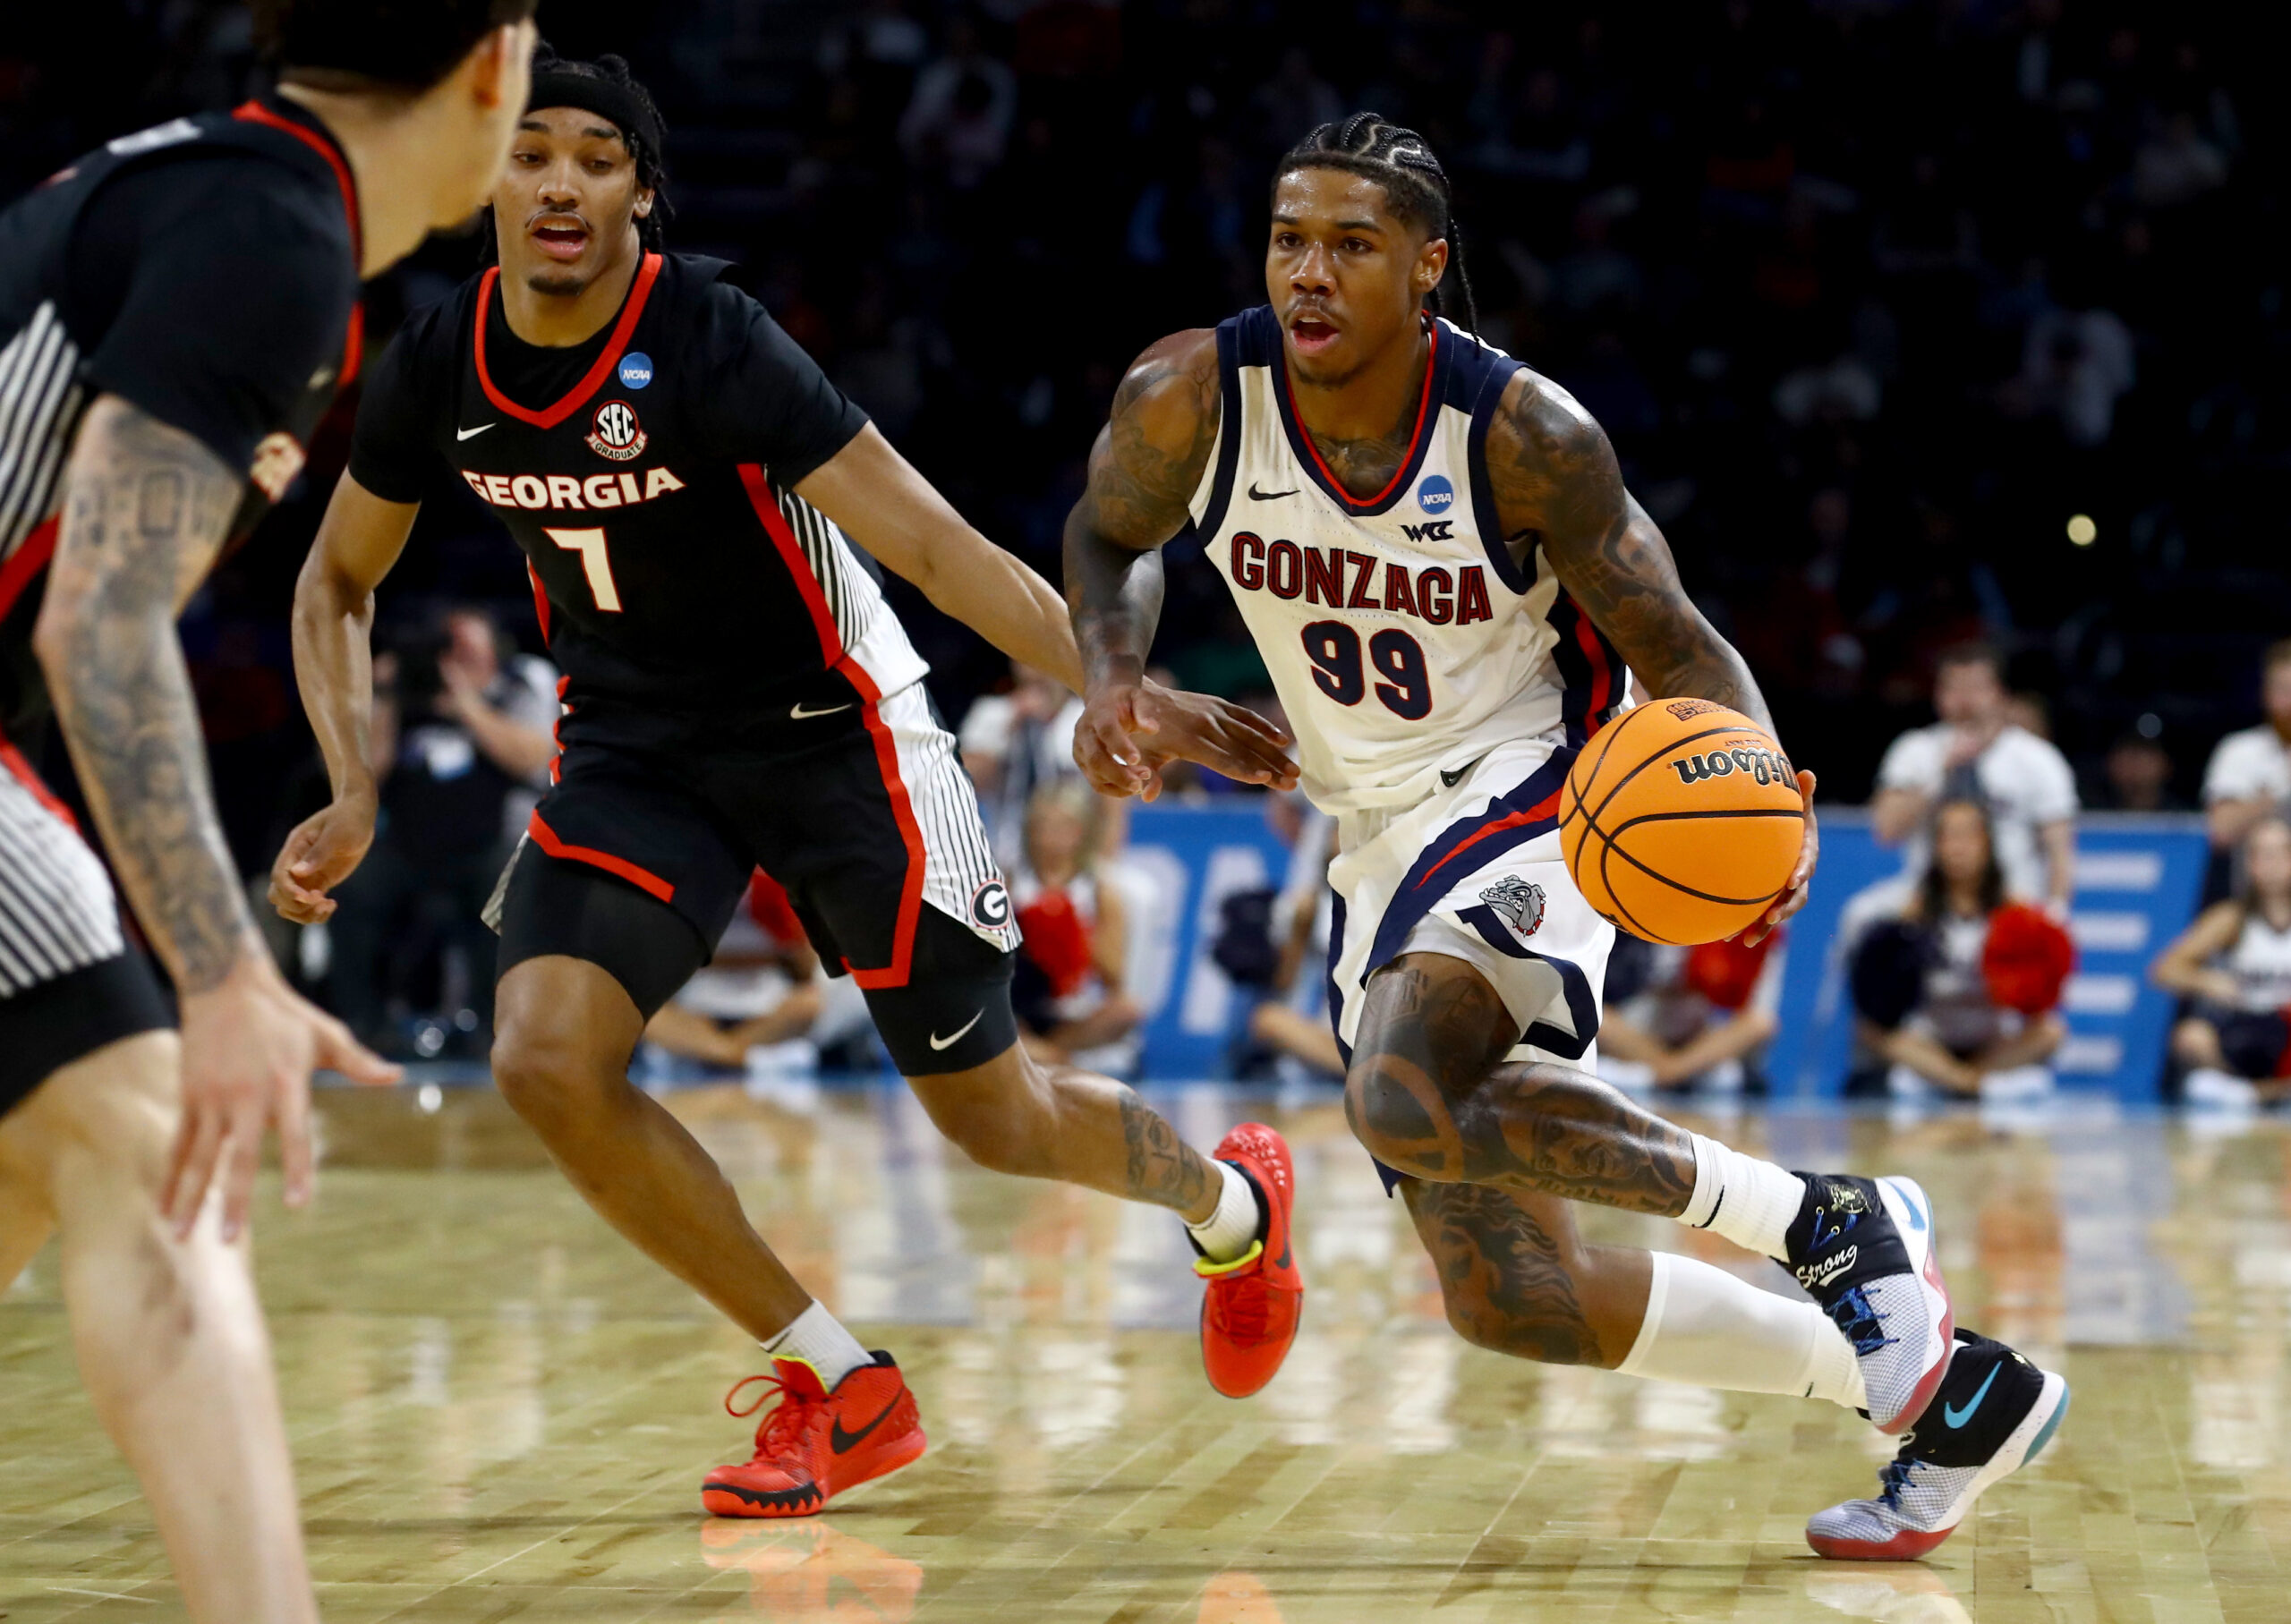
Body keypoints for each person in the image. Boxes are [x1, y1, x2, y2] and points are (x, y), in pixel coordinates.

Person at [269, 48, 1309, 1522]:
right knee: (544, 1057)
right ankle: (840, 1381)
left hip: (839, 735)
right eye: (532, 151)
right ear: (490, 172)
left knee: (993, 1119)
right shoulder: (440, 363)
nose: (559, 181)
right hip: (636, 747)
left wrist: (1121, 685)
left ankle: (1238, 1207)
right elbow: (334, 583)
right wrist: (350, 784)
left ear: (642, 193)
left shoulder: (715, 339)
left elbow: (940, 550)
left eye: (596, 158)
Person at [1061, 112, 2067, 1560]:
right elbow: (1109, 536)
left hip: (1541, 789)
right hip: (1372, 834)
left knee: (1401, 1089)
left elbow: (1682, 646)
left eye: (1352, 244)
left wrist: (1762, 812)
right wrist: (1113, 677)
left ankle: (1829, 1223)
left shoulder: (1526, 438)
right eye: (1291, 240)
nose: (1312, 275)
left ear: (1427, 267)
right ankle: (1940, 1393)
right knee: (1511, 1300)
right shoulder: (1190, 396)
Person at [0, 4, 536, 1618]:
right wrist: (229, 973)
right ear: (496, 62)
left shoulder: (209, 188)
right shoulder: (273, 232)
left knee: (37, 1167)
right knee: (150, 1139)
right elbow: (97, 625)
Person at [326, 604, 556, 1052]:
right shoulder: (403, 694)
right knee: (351, 884)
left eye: (465, 646)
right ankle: (361, 1026)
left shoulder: (518, 685)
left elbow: (533, 758)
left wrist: (465, 702)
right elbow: (361, 778)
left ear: (495, 649)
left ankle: (496, 1029)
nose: (452, 657)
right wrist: (386, 695)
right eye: (445, 646)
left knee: (511, 882)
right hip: (408, 847)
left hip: (488, 847)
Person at [1852, 799, 2069, 1099]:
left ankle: (1963, 1079)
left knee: (2051, 1032)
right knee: (1872, 1032)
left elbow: (2042, 996)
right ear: (1935, 847)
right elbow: (1877, 999)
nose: (1959, 848)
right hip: (1932, 1036)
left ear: (1988, 845)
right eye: (1949, 837)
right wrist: (1902, 937)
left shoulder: (2016, 912)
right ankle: (1966, 1083)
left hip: (1992, 1037)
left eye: (1969, 836)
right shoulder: (1910, 913)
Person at [1871, 642, 2079, 914]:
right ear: (1938, 695)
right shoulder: (1915, 750)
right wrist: (1941, 772)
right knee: (1863, 915)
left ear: (2000, 694)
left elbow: (2060, 852)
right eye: (1954, 689)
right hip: (1927, 904)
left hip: (2011, 904)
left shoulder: (2038, 759)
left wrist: (2056, 914)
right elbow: (1887, 831)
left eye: (1976, 689)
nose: (1965, 700)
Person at [2152, 816, 2291, 1105]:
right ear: (2250, 864)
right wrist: (2207, 981)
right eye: (2263, 855)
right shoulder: (2231, 918)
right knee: (2192, 1035)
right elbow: (2164, 969)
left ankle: (2250, 1095)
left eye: (2281, 854)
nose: (2273, 865)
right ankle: (2238, 1088)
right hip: (2243, 1026)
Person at [1009, 778, 1144, 1067]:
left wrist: (1072, 935)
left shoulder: (1099, 892)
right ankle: (1037, 1051)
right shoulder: (1010, 884)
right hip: (1019, 1003)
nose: (1051, 837)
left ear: (1082, 832)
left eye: (1063, 827)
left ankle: (1050, 1052)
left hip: (1074, 1008)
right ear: (1030, 831)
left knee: (1127, 1011)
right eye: (1044, 826)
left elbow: (1114, 978)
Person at [643, 871, 827, 1072]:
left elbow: (806, 971)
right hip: (700, 1008)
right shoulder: (695, 887)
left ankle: (708, 1054)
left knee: (808, 1004)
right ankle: (744, 1058)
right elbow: (668, 957)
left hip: (763, 1009)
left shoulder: (773, 887)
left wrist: (792, 926)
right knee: (647, 1012)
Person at [2202, 640, 2291, 855]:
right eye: (2283, 690)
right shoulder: (2239, 750)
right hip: (2253, 886)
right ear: (2266, 695)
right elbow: (2219, 830)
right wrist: (2277, 794)